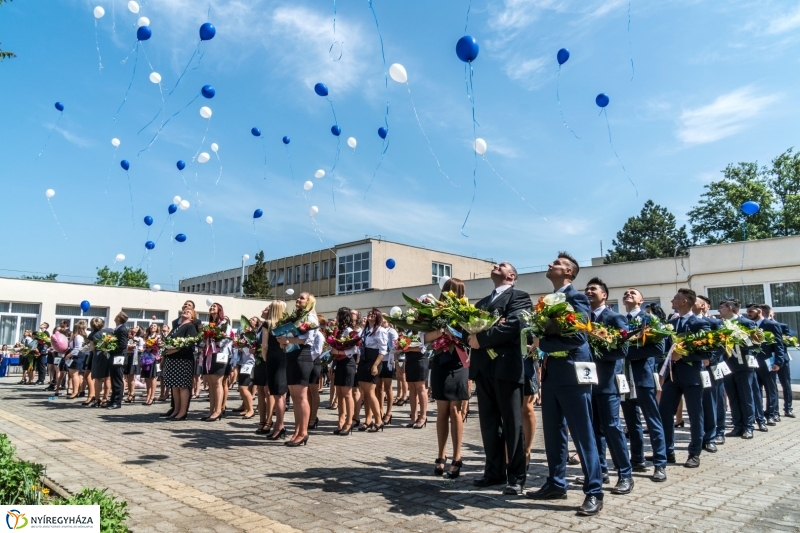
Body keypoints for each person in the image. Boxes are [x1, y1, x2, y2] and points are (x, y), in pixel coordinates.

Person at [526, 253, 603, 516]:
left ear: (569, 272)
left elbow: (578, 337)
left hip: (572, 373)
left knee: (582, 433)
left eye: (556, 263)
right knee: (554, 432)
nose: (549, 265)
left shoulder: (577, 298)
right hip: (552, 373)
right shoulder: (548, 301)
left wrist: (542, 344)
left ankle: (594, 491)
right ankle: (556, 483)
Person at [466, 261, 531, 497]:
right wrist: (477, 335)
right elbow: (467, 331)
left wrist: (482, 339)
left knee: (512, 424)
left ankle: (516, 477)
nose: (495, 265)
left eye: (501, 265)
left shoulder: (519, 297)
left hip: (507, 368)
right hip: (483, 369)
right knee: (489, 423)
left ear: (511, 275)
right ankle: (494, 472)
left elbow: (514, 324)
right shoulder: (482, 302)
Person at [583, 277, 634, 495]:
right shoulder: (581, 319)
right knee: (593, 430)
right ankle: (600, 470)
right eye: (586, 288)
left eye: (593, 289)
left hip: (606, 383)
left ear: (604, 295)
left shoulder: (615, 317)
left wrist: (594, 351)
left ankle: (625, 474)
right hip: (586, 383)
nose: (588, 291)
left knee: (612, 427)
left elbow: (622, 350)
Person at [619, 289, 668, 482]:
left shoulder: (649, 319)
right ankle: (637, 459)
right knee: (631, 422)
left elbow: (658, 348)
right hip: (624, 378)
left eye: (633, 293)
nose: (628, 294)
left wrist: (626, 351)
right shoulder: (620, 321)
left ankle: (660, 463)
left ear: (641, 300)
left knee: (652, 421)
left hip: (643, 377)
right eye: (625, 293)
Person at [658, 289, 711, 468]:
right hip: (672, 376)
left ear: (685, 302)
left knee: (696, 414)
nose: (672, 300)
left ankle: (694, 453)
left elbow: (706, 352)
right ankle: (666, 451)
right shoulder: (671, 323)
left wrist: (683, 356)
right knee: (665, 413)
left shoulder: (699, 323)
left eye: (675, 298)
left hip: (692, 376)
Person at [424, 278, 470, 478]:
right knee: (442, 411)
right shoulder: (436, 311)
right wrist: (443, 331)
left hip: (460, 363)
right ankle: (441, 455)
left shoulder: (467, 311)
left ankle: (457, 456)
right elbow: (425, 337)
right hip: (441, 362)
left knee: (455, 410)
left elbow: (471, 336)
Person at [277, 292, 320, 447]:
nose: (298, 299)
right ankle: (296, 431)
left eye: (302, 298)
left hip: (303, 356)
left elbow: (306, 340)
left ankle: (303, 432)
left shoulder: (311, 318)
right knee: (294, 397)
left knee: (301, 397)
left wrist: (287, 339)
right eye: (298, 297)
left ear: (309, 302)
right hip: (291, 355)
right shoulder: (296, 317)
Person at [718, 299, 757, 439]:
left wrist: (740, 339)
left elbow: (756, 344)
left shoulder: (746, 323)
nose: (719, 310)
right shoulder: (721, 325)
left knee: (746, 397)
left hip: (744, 366)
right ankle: (738, 425)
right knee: (733, 396)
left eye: (721, 307)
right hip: (727, 366)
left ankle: (748, 426)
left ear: (730, 308)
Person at [746, 303, 788, 425]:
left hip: (767, 361)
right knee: (756, 389)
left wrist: (778, 362)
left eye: (751, 311)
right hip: (753, 362)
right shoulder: (749, 325)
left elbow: (778, 345)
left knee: (771, 389)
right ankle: (758, 414)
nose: (748, 314)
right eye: (747, 312)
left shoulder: (771, 325)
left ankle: (771, 413)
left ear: (759, 311)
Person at [693, 295, 725, 450]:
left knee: (710, 402)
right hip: (689, 369)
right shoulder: (683, 322)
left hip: (708, 368)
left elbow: (721, 345)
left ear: (704, 305)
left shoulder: (714, 323)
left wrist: (709, 359)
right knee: (694, 405)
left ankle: (710, 437)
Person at [162, 308, 200, 420]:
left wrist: (173, 350)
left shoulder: (190, 327)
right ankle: (176, 410)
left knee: (182, 386)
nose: (185, 312)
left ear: (192, 317)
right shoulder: (176, 327)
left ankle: (183, 412)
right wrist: (165, 355)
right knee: (174, 386)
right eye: (184, 311)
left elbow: (189, 343)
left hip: (183, 360)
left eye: (188, 312)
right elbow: (167, 342)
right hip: (172, 359)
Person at [199, 303, 233, 421]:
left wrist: (215, 338)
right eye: (211, 306)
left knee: (218, 382)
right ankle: (211, 409)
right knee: (211, 384)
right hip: (209, 354)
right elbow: (204, 341)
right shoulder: (209, 325)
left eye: (214, 306)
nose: (211, 308)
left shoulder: (225, 324)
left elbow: (227, 340)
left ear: (219, 310)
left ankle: (218, 410)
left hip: (220, 354)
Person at [330, 307, 359, 436]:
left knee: (347, 394)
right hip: (340, 363)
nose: (336, 318)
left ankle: (349, 422)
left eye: (337, 316)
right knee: (340, 393)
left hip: (348, 363)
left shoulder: (349, 331)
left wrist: (339, 352)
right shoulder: (339, 331)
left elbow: (354, 350)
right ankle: (340, 422)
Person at [358, 308, 388, 432]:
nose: (370, 315)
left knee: (370, 392)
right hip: (364, 359)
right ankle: (368, 420)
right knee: (364, 393)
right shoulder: (365, 330)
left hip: (373, 359)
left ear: (378, 317)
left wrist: (375, 365)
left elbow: (383, 350)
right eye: (369, 313)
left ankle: (378, 420)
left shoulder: (380, 331)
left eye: (373, 314)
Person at [263, 301, 288, 440]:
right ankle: (279, 424)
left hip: (273, 357)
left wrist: (265, 359)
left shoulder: (268, 323)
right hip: (284, 357)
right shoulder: (286, 323)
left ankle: (280, 426)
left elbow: (265, 345)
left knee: (277, 394)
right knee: (282, 394)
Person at [770, 310, 794, 418]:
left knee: (786, 384)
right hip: (769, 360)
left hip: (783, 358)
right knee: (772, 385)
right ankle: (775, 411)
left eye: (770, 313)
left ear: (773, 314)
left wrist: (783, 339)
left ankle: (788, 408)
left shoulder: (782, 325)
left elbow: (788, 340)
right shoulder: (761, 326)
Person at [106, 312, 129, 410]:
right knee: (113, 378)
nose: (115, 318)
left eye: (116, 316)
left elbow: (123, 345)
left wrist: (111, 349)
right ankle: (112, 400)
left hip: (119, 356)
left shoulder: (122, 329)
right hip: (115, 356)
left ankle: (117, 401)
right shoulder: (118, 328)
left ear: (119, 318)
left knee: (117, 379)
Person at [89, 318, 113, 407]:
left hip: (98, 355)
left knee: (98, 379)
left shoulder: (92, 334)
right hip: (107, 354)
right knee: (107, 378)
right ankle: (105, 399)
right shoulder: (110, 331)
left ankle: (97, 399)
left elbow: (92, 348)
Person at [377, 320, 397, 425]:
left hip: (388, 360)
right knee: (378, 387)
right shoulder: (378, 330)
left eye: (384, 321)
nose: (382, 322)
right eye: (381, 321)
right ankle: (380, 410)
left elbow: (395, 346)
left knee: (388, 387)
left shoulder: (391, 331)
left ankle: (389, 412)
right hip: (379, 360)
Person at [65, 321, 88, 399]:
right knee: (80, 375)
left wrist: (69, 355)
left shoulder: (78, 337)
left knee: (74, 374)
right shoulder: (84, 336)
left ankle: (75, 392)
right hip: (82, 355)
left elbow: (77, 348)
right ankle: (80, 390)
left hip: (77, 355)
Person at [140, 323, 162, 406]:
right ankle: (148, 396)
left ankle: (152, 397)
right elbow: (143, 347)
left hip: (153, 358)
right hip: (146, 358)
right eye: (152, 326)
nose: (153, 327)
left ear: (157, 328)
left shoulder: (158, 337)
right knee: (147, 378)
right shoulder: (146, 337)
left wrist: (153, 347)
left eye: (155, 326)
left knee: (152, 378)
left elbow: (160, 347)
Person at [124, 325, 144, 403]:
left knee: (131, 376)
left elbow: (141, 349)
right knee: (127, 376)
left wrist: (133, 350)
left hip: (134, 357)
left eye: (137, 327)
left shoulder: (139, 339)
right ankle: (129, 392)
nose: (134, 327)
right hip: (127, 357)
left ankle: (131, 394)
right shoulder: (128, 338)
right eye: (133, 326)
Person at [157, 323, 172, 402]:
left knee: (167, 376)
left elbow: (169, 347)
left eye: (165, 327)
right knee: (161, 377)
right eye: (163, 327)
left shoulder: (170, 337)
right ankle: (161, 393)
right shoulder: (160, 337)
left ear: (168, 329)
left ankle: (167, 393)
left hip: (167, 357)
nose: (164, 328)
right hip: (160, 357)